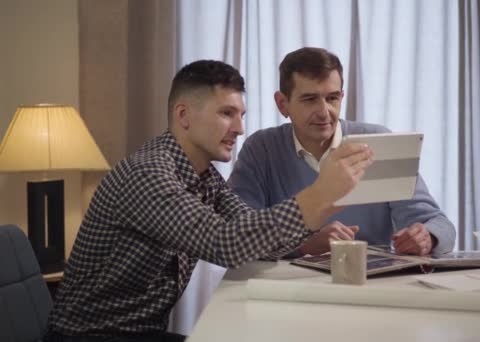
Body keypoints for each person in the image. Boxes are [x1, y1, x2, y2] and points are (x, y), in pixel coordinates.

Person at [44, 60, 372, 342]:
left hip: (141, 333)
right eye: (227, 114)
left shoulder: (204, 177)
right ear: (184, 115)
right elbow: (225, 244)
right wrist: (318, 194)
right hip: (89, 336)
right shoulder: (148, 174)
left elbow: (250, 234)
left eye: (241, 114)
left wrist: (328, 203)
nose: (240, 128)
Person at [228, 47, 456, 257]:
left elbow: (439, 224)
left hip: (370, 285)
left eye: (332, 98)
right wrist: (304, 244)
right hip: (289, 290)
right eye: (310, 99)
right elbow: (238, 233)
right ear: (282, 104)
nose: (324, 112)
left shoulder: (377, 142)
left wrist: (427, 237)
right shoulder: (261, 149)